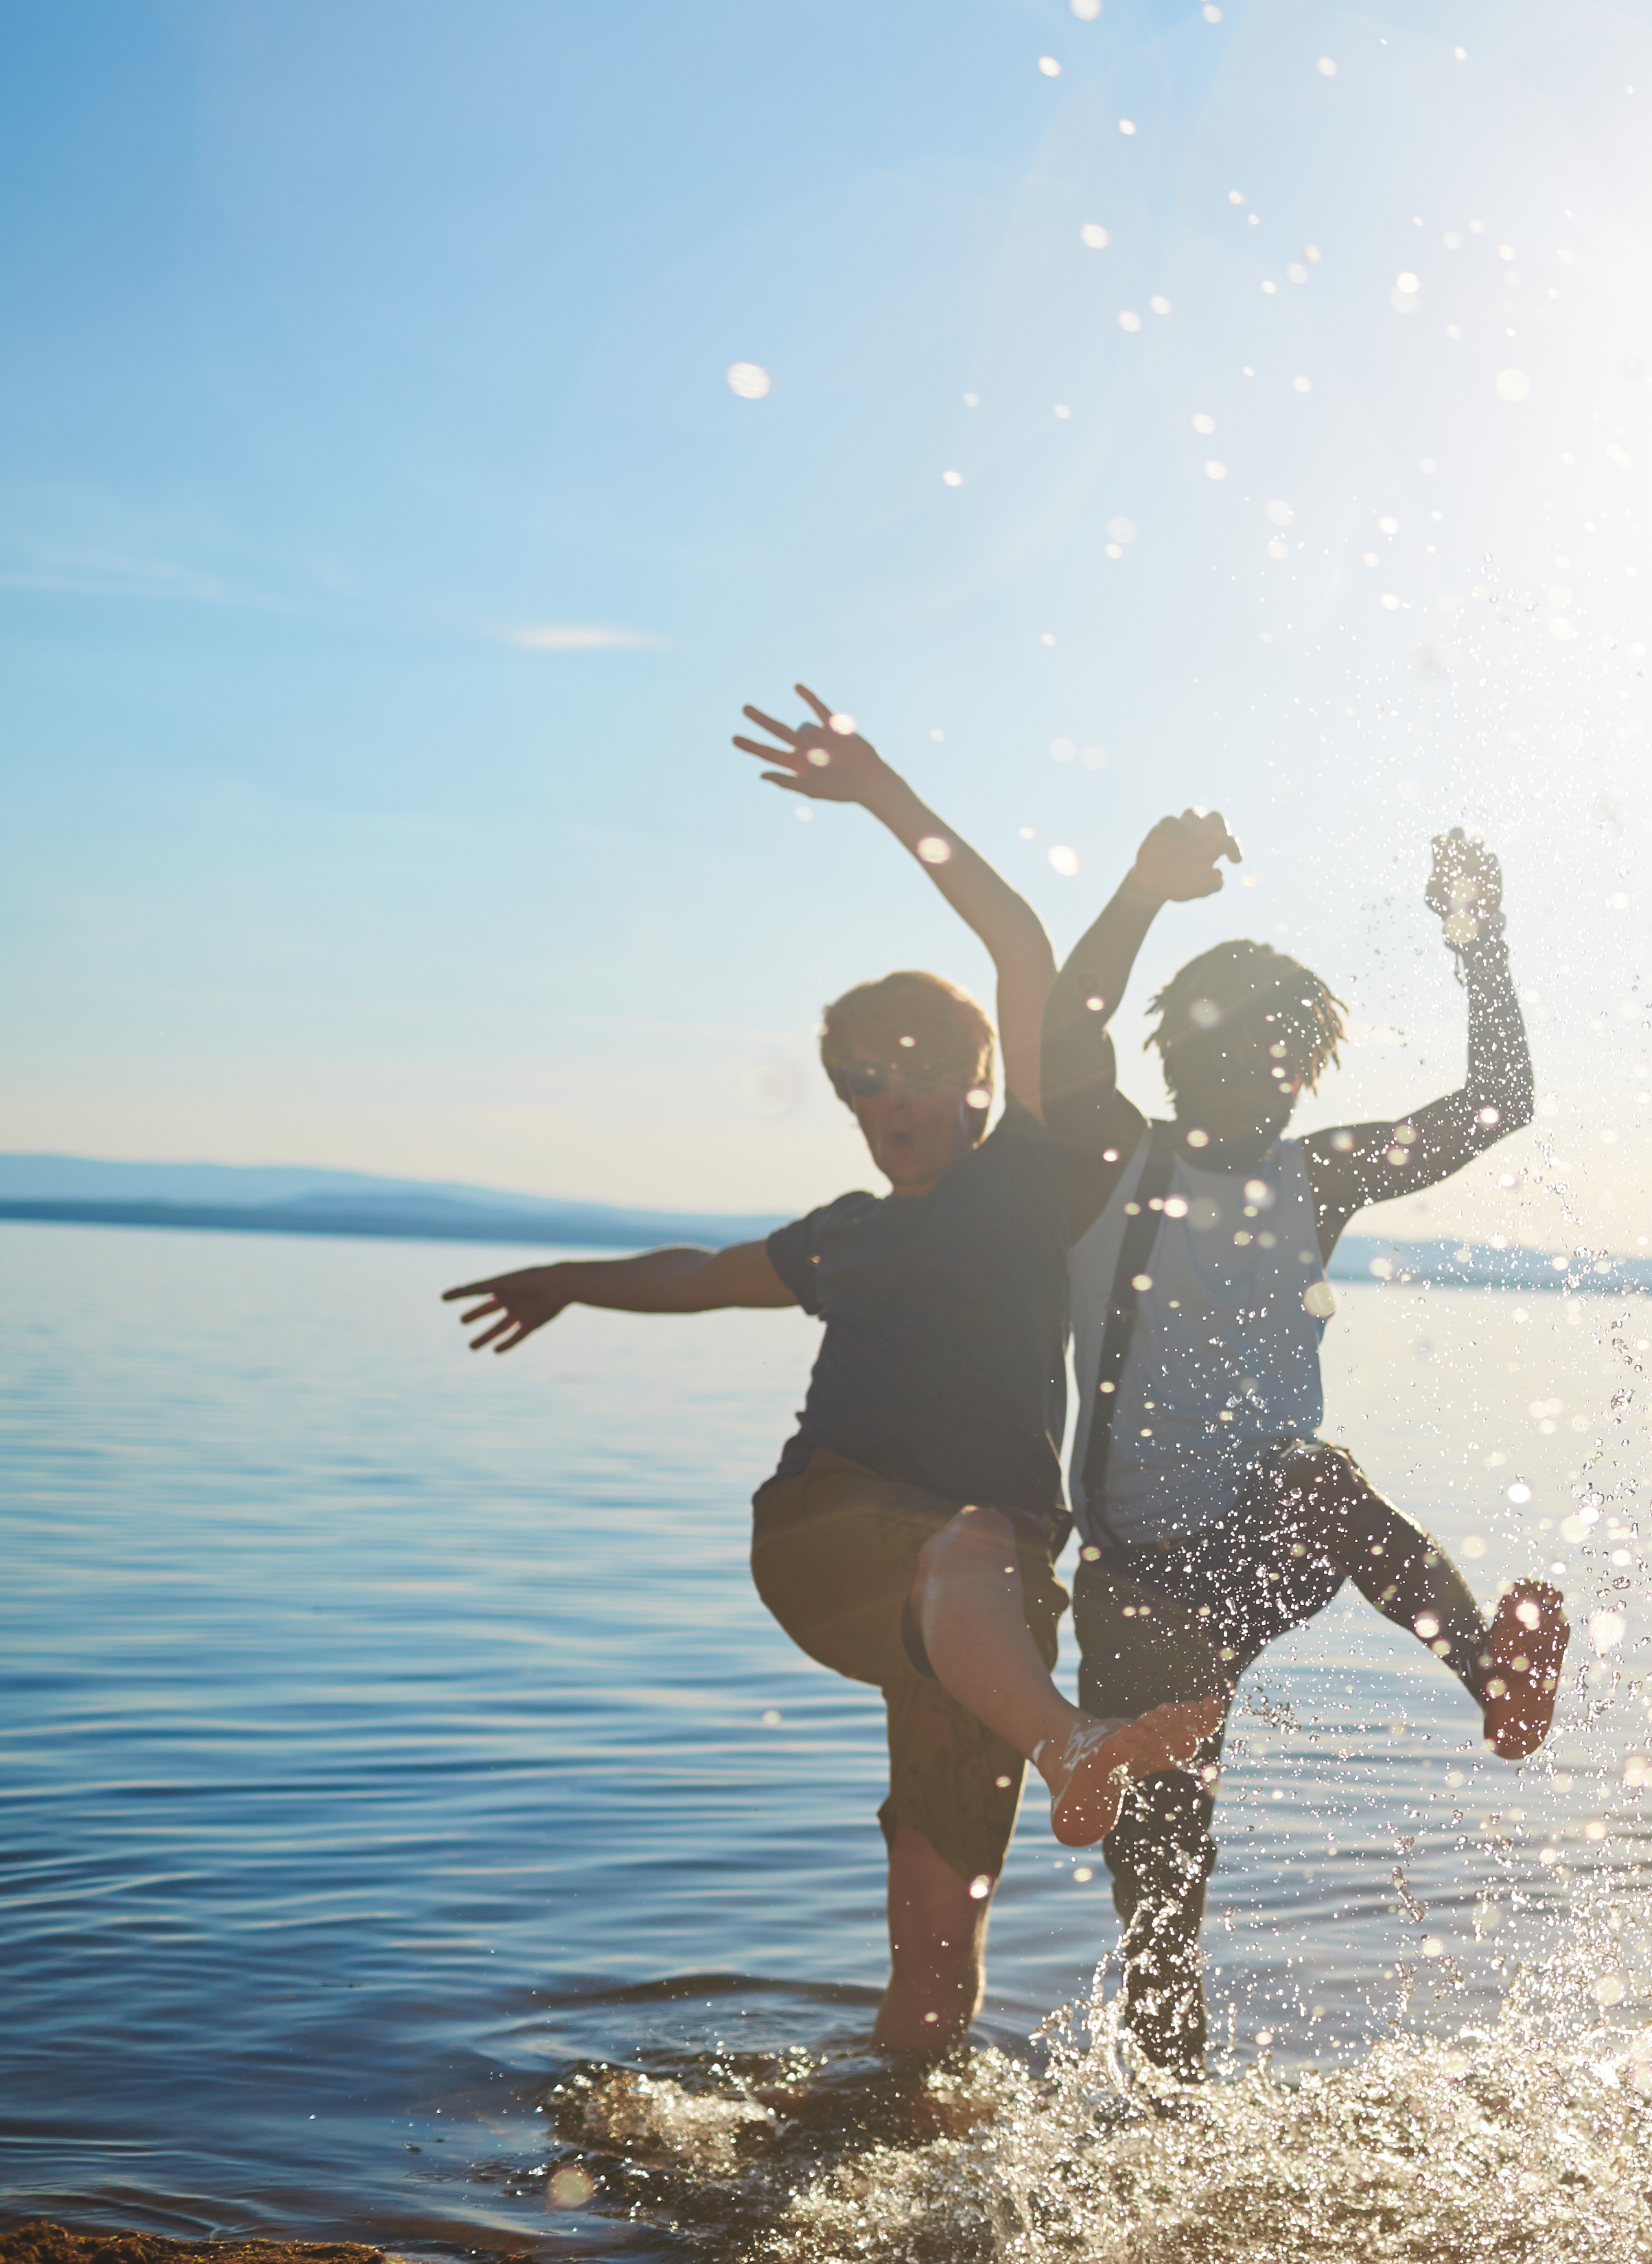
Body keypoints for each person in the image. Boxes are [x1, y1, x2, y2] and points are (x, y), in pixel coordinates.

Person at [441, 688, 1218, 2058]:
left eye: (912, 1070)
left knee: (936, 1957)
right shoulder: (848, 1238)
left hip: (985, 1625)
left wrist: (885, 796)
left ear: (982, 1076)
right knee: (965, 1542)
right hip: (835, 1536)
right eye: (859, 1082)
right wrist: (570, 1281)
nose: (886, 1099)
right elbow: (701, 1272)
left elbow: (1018, 938)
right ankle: (1072, 1748)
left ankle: (892, 2159)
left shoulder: (1033, 1177)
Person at [1034, 820, 1568, 2081]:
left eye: (1276, 1057)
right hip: (1137, 1588)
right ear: (1179, 1056)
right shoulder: (1112, 1162)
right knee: (1165, 1909)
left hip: (1265, 1544)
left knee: (1316, 1478)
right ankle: (1169, 2137)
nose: (1251, 1078)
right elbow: (1067, 1027)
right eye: (1224, 1051)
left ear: (1303, 1070)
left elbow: (1500, 1104)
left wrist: (1476, 941)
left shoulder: (1316, 1178)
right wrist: (1137, 893)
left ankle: (1494, 1675)